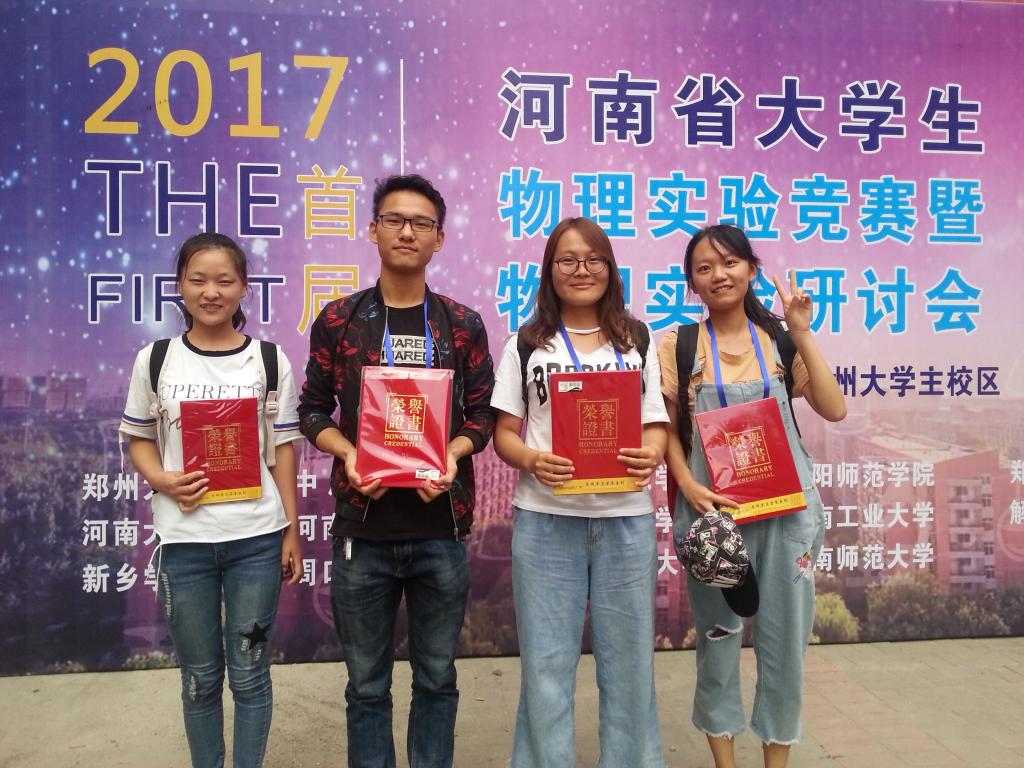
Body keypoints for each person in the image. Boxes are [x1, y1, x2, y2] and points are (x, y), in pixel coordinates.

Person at [297, 174, 495, 768]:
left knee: (436, 678)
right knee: (366, 686)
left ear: (439, 238)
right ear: (373, 231)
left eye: (421, 223)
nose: (407, 231)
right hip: (364, 532)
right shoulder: (340, 320)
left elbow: (482, 414)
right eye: (394, 220)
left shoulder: (461, 324)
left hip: (441, 530)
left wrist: (452, 454)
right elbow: (312, 410)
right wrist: (350, 454)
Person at [657, 224, 847, 768]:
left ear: (751, 269)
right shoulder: (678, 345)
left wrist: (801, 331)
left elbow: (834, 409)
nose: (719, 275)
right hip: (714, 518)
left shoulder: (780, 341)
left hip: (787, 515)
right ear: (692, 282)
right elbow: (665, 428)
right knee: (718, 641)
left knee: (785, 648)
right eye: (704, 268)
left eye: (730, 263)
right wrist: (687, 484)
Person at [119, 232, 304, 768]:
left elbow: (282, 453)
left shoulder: (268, 360)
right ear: (180, 286)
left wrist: (290, 530)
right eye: (198, 280)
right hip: (185, 543)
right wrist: (162, 480)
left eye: (224, 280)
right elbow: (138, 438)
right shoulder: (157, 360)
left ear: (243, 288)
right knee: (199, 679)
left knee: (250, 676)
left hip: (256, 539)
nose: (211, 292)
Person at [491, 217, 669, 768]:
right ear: (550, 271)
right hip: (546, 521)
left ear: (610, 269)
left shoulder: (637, 339)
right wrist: (532, 459)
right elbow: (504, 433)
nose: (581, 270)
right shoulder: (526, 344)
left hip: (626, 520)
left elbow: (656, 423)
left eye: (593, 259)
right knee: (545, 666)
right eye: (567, 260)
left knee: (631, 665)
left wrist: (653, 452)